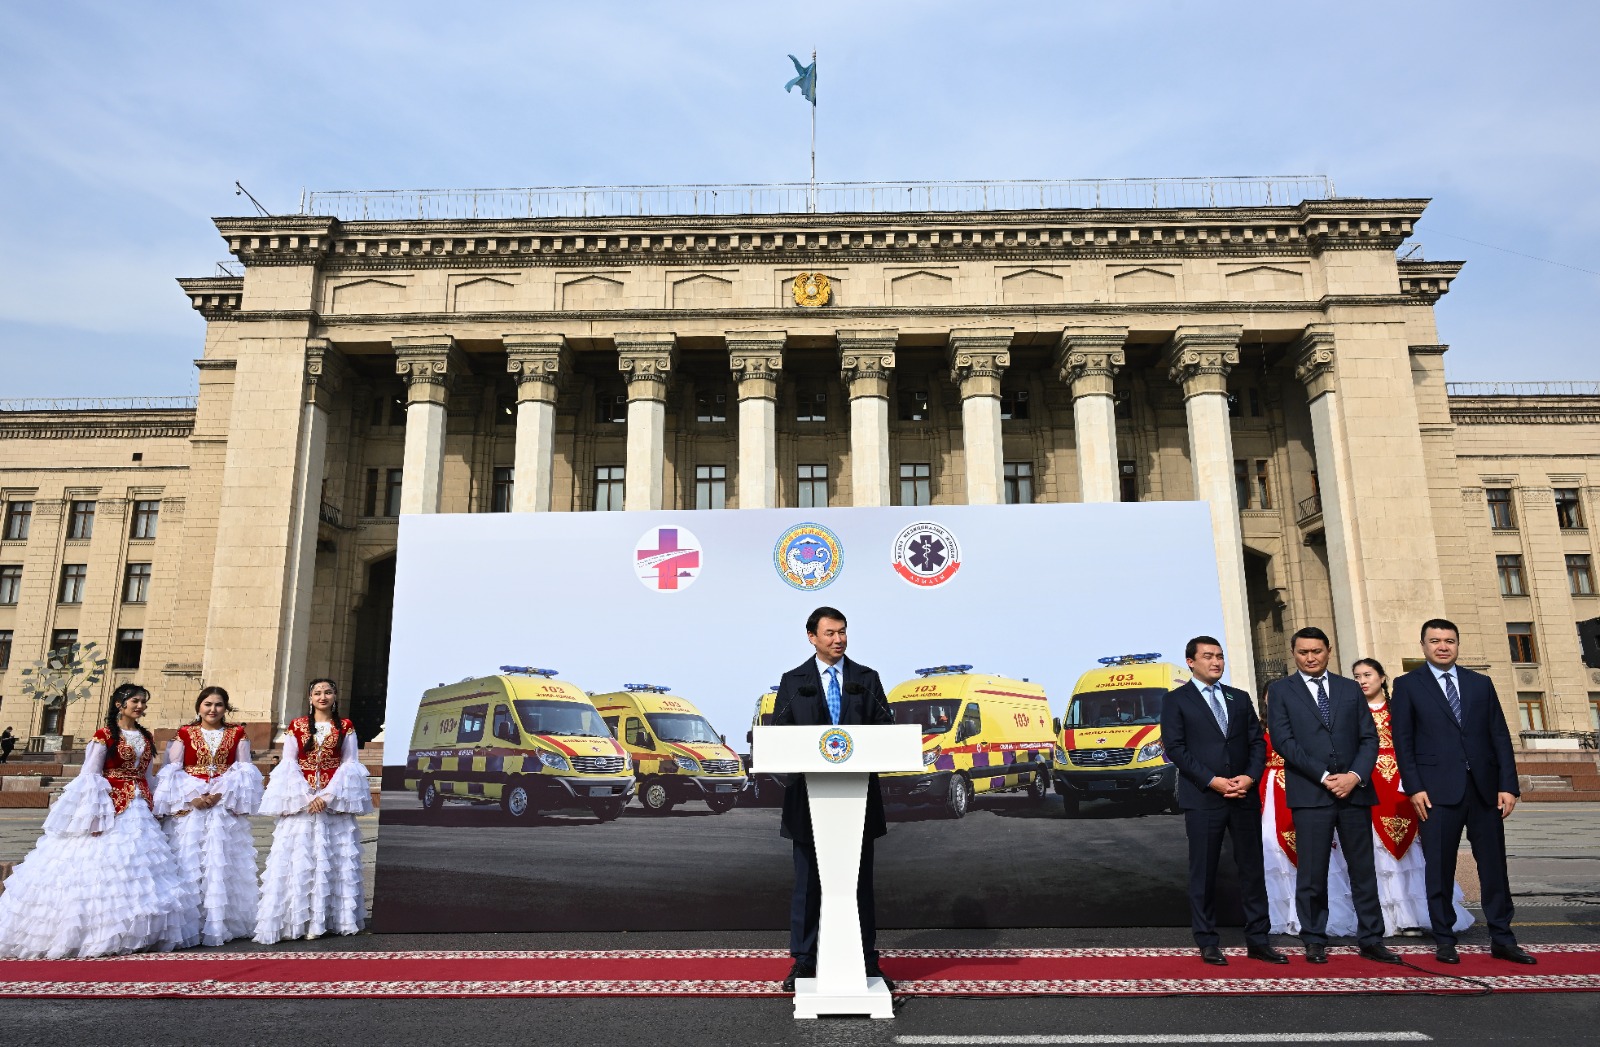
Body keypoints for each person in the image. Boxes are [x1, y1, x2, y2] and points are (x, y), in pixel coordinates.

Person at [0, 683, 198, 958]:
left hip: (141, 804)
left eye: (143, 702)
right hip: (111, 805)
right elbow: (90, 776)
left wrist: (161, 803)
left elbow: (149, 775)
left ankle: (136, 930)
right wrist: (92, 814)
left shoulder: (145, 735)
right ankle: (92, 932)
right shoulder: (104, 735)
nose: (140, 706)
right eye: (135, 701)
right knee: (103, 866)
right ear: (120, 704)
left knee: (139, 867)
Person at [1391, 619, 1533, 965]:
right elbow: (1403, 742)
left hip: (1484, 792)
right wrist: (1414, 787)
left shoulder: (1480, 684)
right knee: (1439, 867)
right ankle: (1444, 938)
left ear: (1458, 645)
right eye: (1435, 641)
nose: (1443, 646)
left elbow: (1499, 736)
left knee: (1494, 868)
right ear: (1423, 645)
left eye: (1449, 641)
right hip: (1436, 793)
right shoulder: (1408, 685)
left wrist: (1508, 786)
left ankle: (1502, 936)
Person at [772, 606, 897, 992]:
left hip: (856, 804)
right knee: (808, 886)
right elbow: (779, 738)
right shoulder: (794, 682)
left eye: (842, 632)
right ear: (811, 636)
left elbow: (886, 734)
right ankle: (804, 964)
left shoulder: (866, 680)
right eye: (829, 633)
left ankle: (867, 963)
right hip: (809, 803)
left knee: (859, 886)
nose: (838, 639)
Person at [1265, 627, 1399, 965]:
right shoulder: (1282, 691)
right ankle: (1314, 939)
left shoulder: (1349, 689)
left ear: (1329, 650)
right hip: (1311, 793)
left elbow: (1369, 739)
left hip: (1354, 793)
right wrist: (1325, 777)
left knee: (1363, 870)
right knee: (1312, 872)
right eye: (1303, 652)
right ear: (1294, 653)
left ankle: (1371, 938)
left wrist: (1354, 776)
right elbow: (1284, 741)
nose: (1310, 658)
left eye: (1317, 651)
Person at [1160, 635, 1283, 966]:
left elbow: (1257, 743)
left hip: (1242, 796)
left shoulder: (1239, 698)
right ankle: (1207, 940)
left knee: (1252, 870)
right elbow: (1176, 748)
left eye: (1220, 656)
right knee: (1204, 871)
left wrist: (1249, 777)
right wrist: (1212, 781)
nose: (1216, 662)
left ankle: (1258, 939)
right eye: (1208, 656)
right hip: (1203, 798)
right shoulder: (1176, 700)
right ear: (1191, 662)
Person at [254, 678, 372, 943]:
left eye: (328, 692)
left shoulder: (345, 726)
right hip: (302, 802)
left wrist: (327, 796)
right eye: (317, 692)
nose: (322, 696)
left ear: (335, 696)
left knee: (332, 858)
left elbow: (350, 762)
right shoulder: (296, 726)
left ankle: (329, 920)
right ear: (310, 698)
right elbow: (288, 763)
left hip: (334, 801)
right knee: (300, 858)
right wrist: (308, 796)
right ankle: (296, 921)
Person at [154, 685, 264, 945]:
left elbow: (244, 769)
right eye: (208, 704)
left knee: (221, 861)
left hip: (222, 807)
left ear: (225, 708)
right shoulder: (184, 733)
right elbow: (173, 770)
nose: (212, 709)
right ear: (199, 706)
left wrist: (221, 792)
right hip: (193, 807)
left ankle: (221, 922)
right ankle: (189, 924)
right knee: (190, 861)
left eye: (218, 705)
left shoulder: (238, 733)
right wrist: (192, 795)